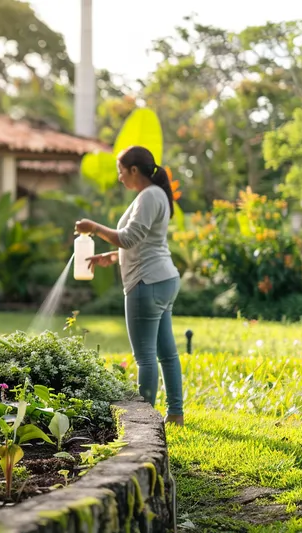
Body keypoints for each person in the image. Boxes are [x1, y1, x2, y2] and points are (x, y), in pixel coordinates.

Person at [74, 145, 184, 426]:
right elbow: (146, 240)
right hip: (164, 278)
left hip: (145, 283)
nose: (119, 177)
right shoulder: (154, 195)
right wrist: (111, 256)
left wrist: (94, 228)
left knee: (146, 358)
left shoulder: (148, 196)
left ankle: (144, 425)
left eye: (121, 171)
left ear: (134, 170)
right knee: (167, 354)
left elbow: (129, 238)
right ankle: (175, 414)